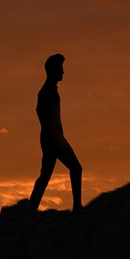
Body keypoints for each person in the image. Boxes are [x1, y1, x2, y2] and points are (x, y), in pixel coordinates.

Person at [28, 53, 83, 211]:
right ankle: (77, 206)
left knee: (45, 175)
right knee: (76, 168)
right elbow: (40, 111)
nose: (63, 72)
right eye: (60, 68)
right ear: (53, 71)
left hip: (51, 137)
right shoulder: (46, 92)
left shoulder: (49, 90)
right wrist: (52, 133)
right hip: (53, 138)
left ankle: (31, 208)